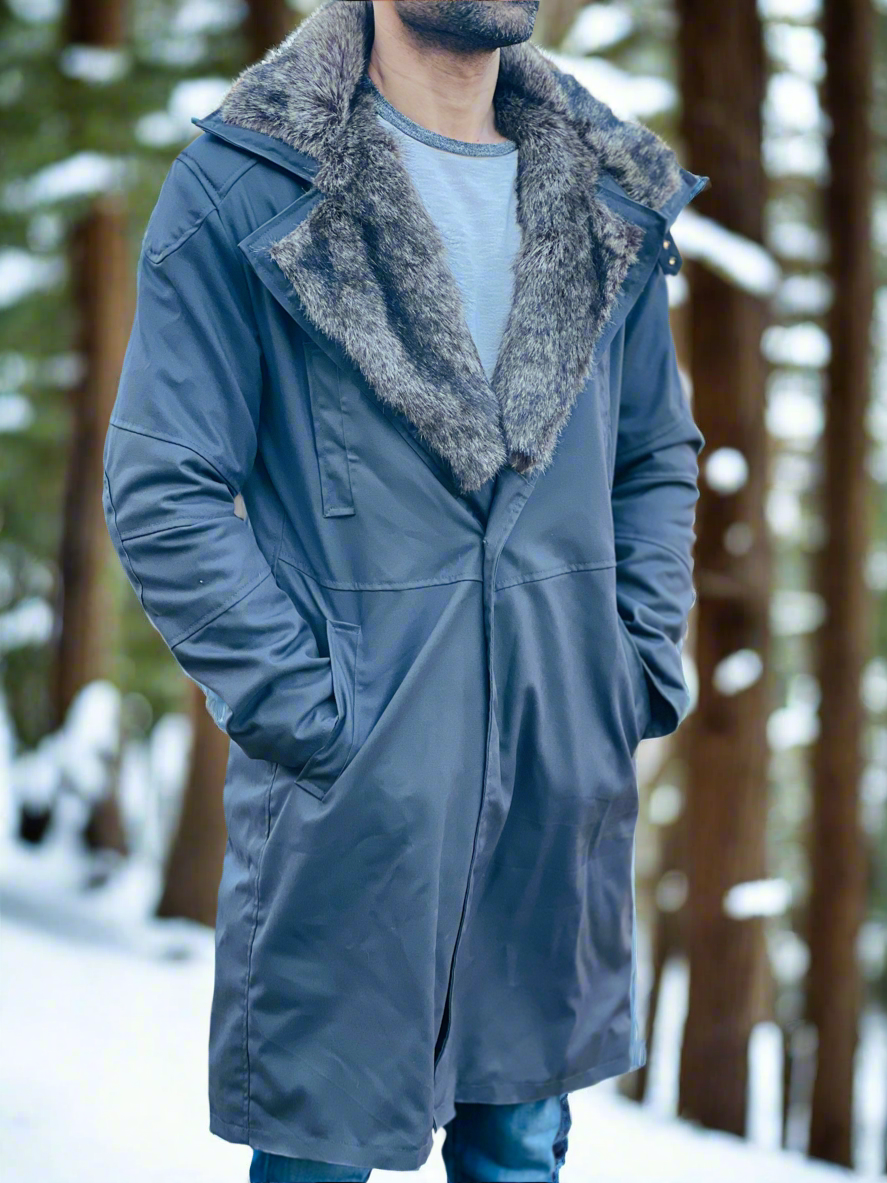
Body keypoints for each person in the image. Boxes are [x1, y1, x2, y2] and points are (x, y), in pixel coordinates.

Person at [101, 1, 708, 1179]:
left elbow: (653, 454)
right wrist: (308, 709)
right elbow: (163, 484)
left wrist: (622, 667)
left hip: (551, 786)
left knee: (518, 1149)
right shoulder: (251, 180)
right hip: (354, 807)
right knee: (320, 1156)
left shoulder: (604, 190)